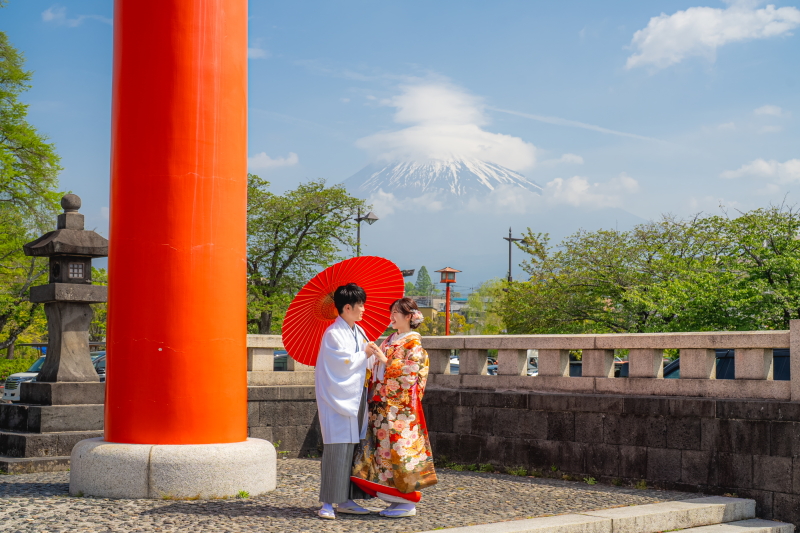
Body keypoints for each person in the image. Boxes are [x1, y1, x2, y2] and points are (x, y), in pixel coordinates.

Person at [352, 297, 438, 518]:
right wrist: (371, 356)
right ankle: (393, 499)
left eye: (396, 314)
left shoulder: (413, 344)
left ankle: (408, 502)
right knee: (383, 454)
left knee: (401, 452)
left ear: (409, 317)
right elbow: (376, 366)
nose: (391, 317)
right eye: (391, 313)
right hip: (382, 407)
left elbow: (410, 375)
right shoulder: (390, 339)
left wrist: (386, 360)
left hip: (402, 412)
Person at [314, 283, 375, 520]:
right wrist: (364, 355)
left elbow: (362, 361)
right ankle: (328, 503)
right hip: (337, 401)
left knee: (353, 450)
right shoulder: (333, 333)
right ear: (347, 307)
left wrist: (369, 355)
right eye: (360, 305)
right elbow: (342, 364)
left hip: (356, 396)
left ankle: (347, 500)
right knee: (337, 450)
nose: (363, 310)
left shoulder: (358, 331)